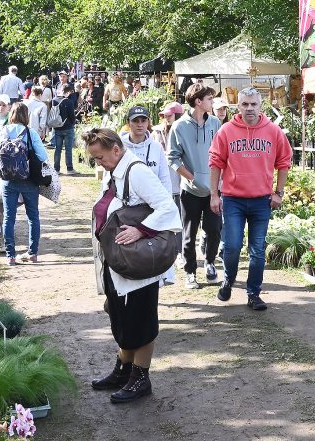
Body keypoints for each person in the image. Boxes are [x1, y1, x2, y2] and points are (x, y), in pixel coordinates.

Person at [84, 128, 181, 404]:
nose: (98, 163)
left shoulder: (137, 172)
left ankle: (140, 378)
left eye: (100, 157)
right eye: (95, 159)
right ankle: (123, 370)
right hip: (119, 262)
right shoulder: (116, 171)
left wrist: (141, 230)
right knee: (122, 319)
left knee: (142, 321)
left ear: (116, 148)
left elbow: (167, 207)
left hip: (139, 265)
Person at [209, 87, 292, 310]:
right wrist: (214, 195)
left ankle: (253, 293)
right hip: (233, 199)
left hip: (261, 200)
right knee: (232, 246)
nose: (249, 109)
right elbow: (215, 163)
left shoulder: (273, 131)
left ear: (260, 106)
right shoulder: (226, 131)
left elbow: (284, 162)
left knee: (257, 250)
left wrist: (279, 192)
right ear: (238, 106)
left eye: (253, 104)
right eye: (245, 104)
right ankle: (228, 278)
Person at [166, 83, 222, 289]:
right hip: (190, 190)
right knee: (189, 234)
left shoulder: (215, 123)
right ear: (198, 101)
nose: (212, 102)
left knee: (214, 230)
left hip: (214, 189)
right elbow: (172, 157)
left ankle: (209, 263)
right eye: (209, 99)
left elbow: (221, 154)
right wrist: (191, 177)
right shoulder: (179, 127)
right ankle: (190, 272)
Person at [1, 102, 48, 265]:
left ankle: (10, 256)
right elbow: (42, 156)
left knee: (9, 218)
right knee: (33, 216)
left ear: (11, 114)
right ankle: (33, 253)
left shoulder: (3, 131)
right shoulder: (30, 132)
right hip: (28, 179)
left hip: (8, 179)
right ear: (26, 115)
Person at [152, 101, 185, 265]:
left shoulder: (184, 131)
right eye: (164, 115)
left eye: (169, 115)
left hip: (180, 183)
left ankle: (179, 252)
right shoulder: (157, 133)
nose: (166, 118)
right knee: (163, 217)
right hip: (162, 183)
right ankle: (164, 251)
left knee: (179, 218)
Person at [121, 106, 171, 193]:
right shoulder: (120, 147)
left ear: (148, 122)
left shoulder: (157, 147)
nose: (140, 124)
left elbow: (164, 178)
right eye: (135, 121)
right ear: (128, 123)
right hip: (127, 202)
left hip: (153, 201)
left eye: (143, 121)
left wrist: (168, 202)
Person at [52, 83, 77, 174]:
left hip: (57, 127)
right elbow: (72, 115)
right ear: (68, 92)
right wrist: (73, 122)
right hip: (67, 127)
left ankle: (56, 168)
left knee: (57, 149)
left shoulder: (54, 100)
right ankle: (69, 168)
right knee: (68, 149)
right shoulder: (68, 101)